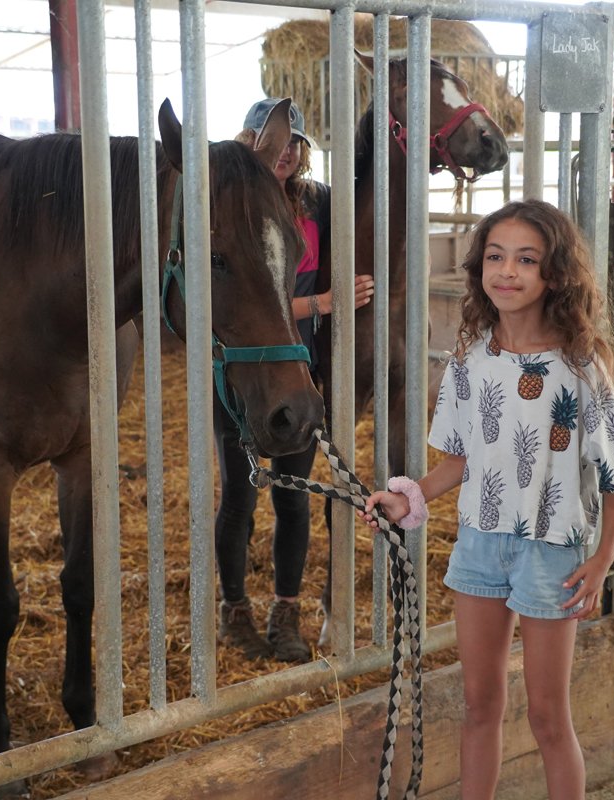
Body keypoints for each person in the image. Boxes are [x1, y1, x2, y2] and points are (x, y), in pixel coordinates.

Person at [360, 199, 614, 799]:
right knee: (479, 703)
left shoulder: (580, 366)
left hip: (552, 550)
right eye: (495, 257)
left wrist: (602, 558)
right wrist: (410, 498)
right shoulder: (471, 358)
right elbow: (460, 458)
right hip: (480, 543)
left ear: (554, 274)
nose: (507, 271)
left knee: (547, 715)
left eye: (526, 260)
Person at [215, 98, 374, 662]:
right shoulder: (232, 201)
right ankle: (233, 610)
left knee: (293, 498)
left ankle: (286, 613)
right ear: (249, 141)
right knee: (238, 496)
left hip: (297, 373)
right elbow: (244, 296)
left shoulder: (318, 204)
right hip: (241, 371)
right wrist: (322, 303)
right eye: (269, 139)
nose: (283, 151)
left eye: (293, 142)